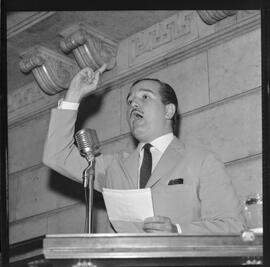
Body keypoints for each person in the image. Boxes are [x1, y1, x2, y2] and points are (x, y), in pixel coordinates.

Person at [43, 66, 245, 234]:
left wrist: (178, 231)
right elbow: (57, 156)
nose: (134, 104)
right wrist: (74, 94)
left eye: (145, 97)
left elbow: (234, 227)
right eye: (130, 101)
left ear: (168, 110)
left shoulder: (201, 161)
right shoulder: (113, 167)